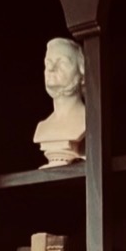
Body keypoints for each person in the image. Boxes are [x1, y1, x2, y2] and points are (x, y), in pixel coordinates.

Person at [34, 37, 85, 165]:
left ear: (82, 75)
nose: (51, 69)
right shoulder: (43, 127)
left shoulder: (87, 121)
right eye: (48, 63)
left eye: (62, 63)